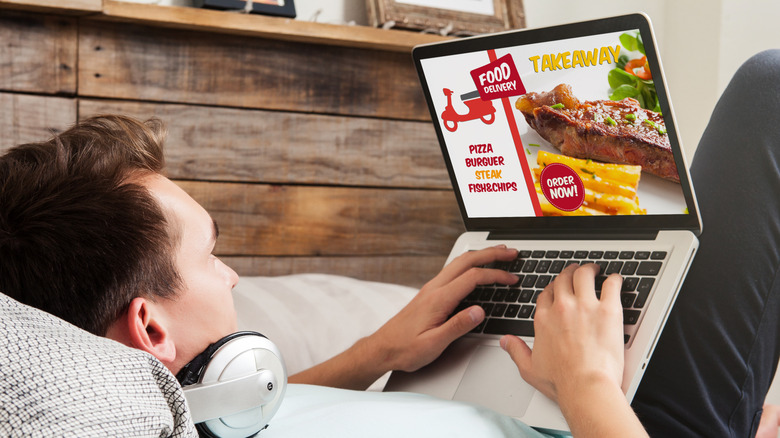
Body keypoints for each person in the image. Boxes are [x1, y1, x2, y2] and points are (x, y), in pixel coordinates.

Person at [1, 49, 779, 437]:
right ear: (149, 328)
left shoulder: (187, 412)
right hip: (606, 415)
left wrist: (378, 351)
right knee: (768, 89)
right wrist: (589, 389)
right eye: (209, 256)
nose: (233, 274)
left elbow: (229, 410)